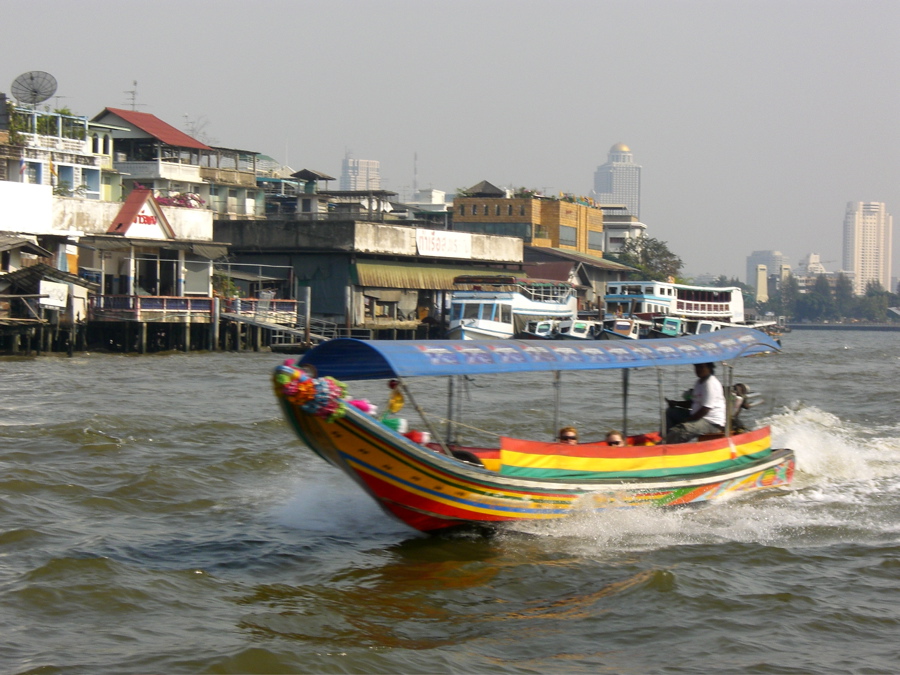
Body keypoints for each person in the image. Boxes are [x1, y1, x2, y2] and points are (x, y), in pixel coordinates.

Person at [665, 362, 726, 444]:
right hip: (697, 417)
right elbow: (693, 403)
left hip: (711, 422)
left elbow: (706, 409)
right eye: (696, 367)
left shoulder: (710, 383)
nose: (698, 370)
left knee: (683, 429)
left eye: (701, 367)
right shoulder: (699, 382)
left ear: (709, 368)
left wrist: (689, 420)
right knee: (671, 412)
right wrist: (676, 403)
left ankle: (667, 446)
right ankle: (666, 438)